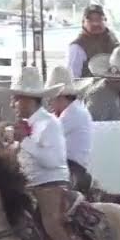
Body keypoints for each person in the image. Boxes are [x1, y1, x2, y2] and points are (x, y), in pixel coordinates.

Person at [0, 67, 88, 240]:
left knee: (51, 222)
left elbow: (53, 161)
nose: (12, 103)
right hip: (31, 184)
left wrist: (24, 141)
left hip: (50, 184)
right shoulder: (27, 126)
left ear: (27, 100)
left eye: (15, 98)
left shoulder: (49, 124)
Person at [45, 66, 96, 194]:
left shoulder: (71, 114)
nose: (49, 104)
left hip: (72, 171)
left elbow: (46, 138)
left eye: (50, 99)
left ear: (60, 97)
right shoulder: (76, 110)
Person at [67, 4, 120, 79]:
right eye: (90, 20)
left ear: (105, 21)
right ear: (83, 23)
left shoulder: (113, 41)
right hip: (88, 90)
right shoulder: (77, 47)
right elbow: (73, 79)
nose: (95, 23)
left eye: (99, 19)